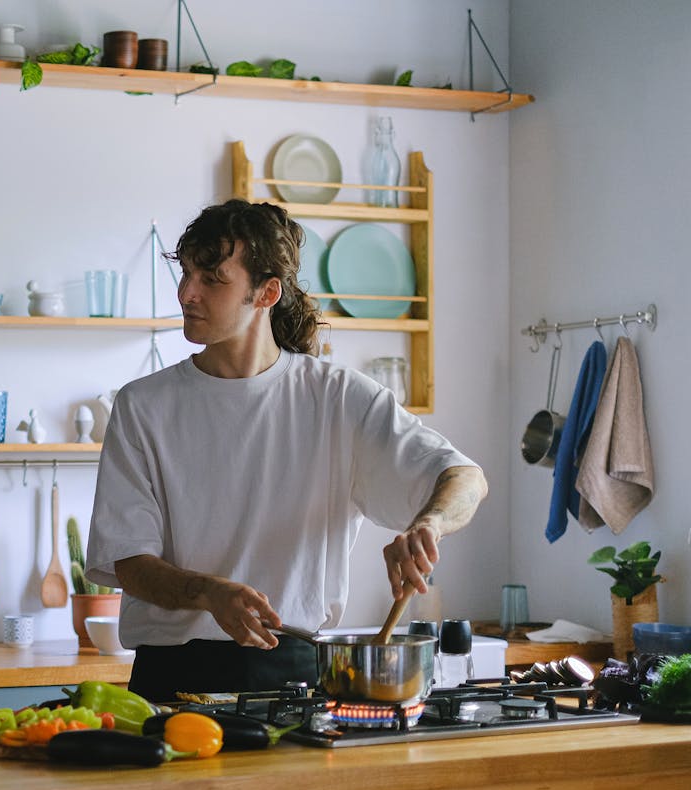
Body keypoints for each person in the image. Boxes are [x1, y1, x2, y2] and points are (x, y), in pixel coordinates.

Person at [85, 200, 488, 702]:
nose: (186, 293)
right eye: (186, 273)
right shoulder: (142, 405)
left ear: (267, 292)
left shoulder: (339, 399)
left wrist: (428, 524)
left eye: (212, 278)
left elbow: (464, 477)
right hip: (169, 682)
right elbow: (128, 561)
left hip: (294, 681)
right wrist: (210, 594)